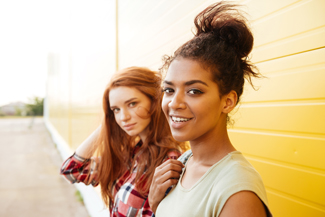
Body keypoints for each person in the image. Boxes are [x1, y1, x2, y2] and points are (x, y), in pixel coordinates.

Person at [148, 2, 272, 217]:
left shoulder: (237, 192)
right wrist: (155, 203)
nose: (174, 103)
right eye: (169, 89)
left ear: (228, 101)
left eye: (194, 91)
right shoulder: (183, 163)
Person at [60, 67, 184, 217]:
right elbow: (72, 170)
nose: (123, 117)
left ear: (155, 101)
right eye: (116, 109)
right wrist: (108, 121)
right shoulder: (131, 155)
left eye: (132, 104)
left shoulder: (169, 161)